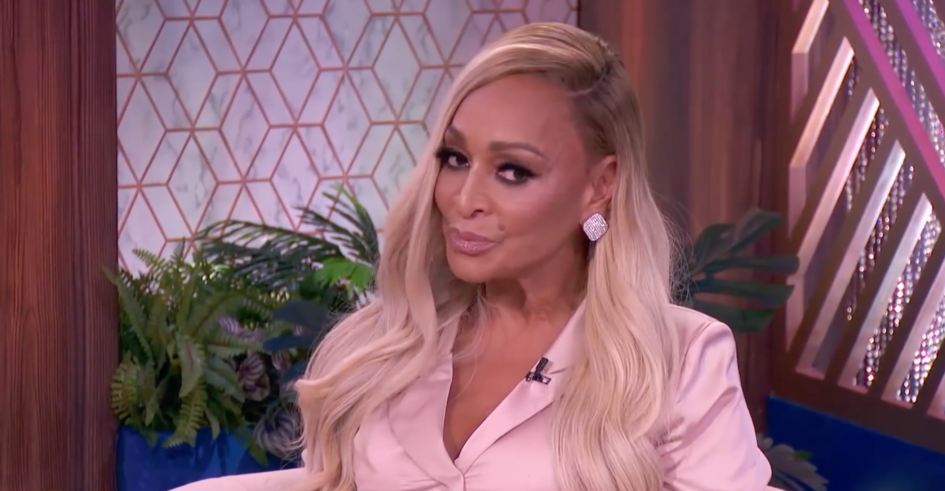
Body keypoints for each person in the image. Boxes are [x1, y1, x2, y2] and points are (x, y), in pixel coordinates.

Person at [176, 22, 774, 491]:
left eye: (513, 171)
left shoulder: (677, 361)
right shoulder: (382, 345)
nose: (464, 200)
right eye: (456, 159)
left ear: (599, 186)